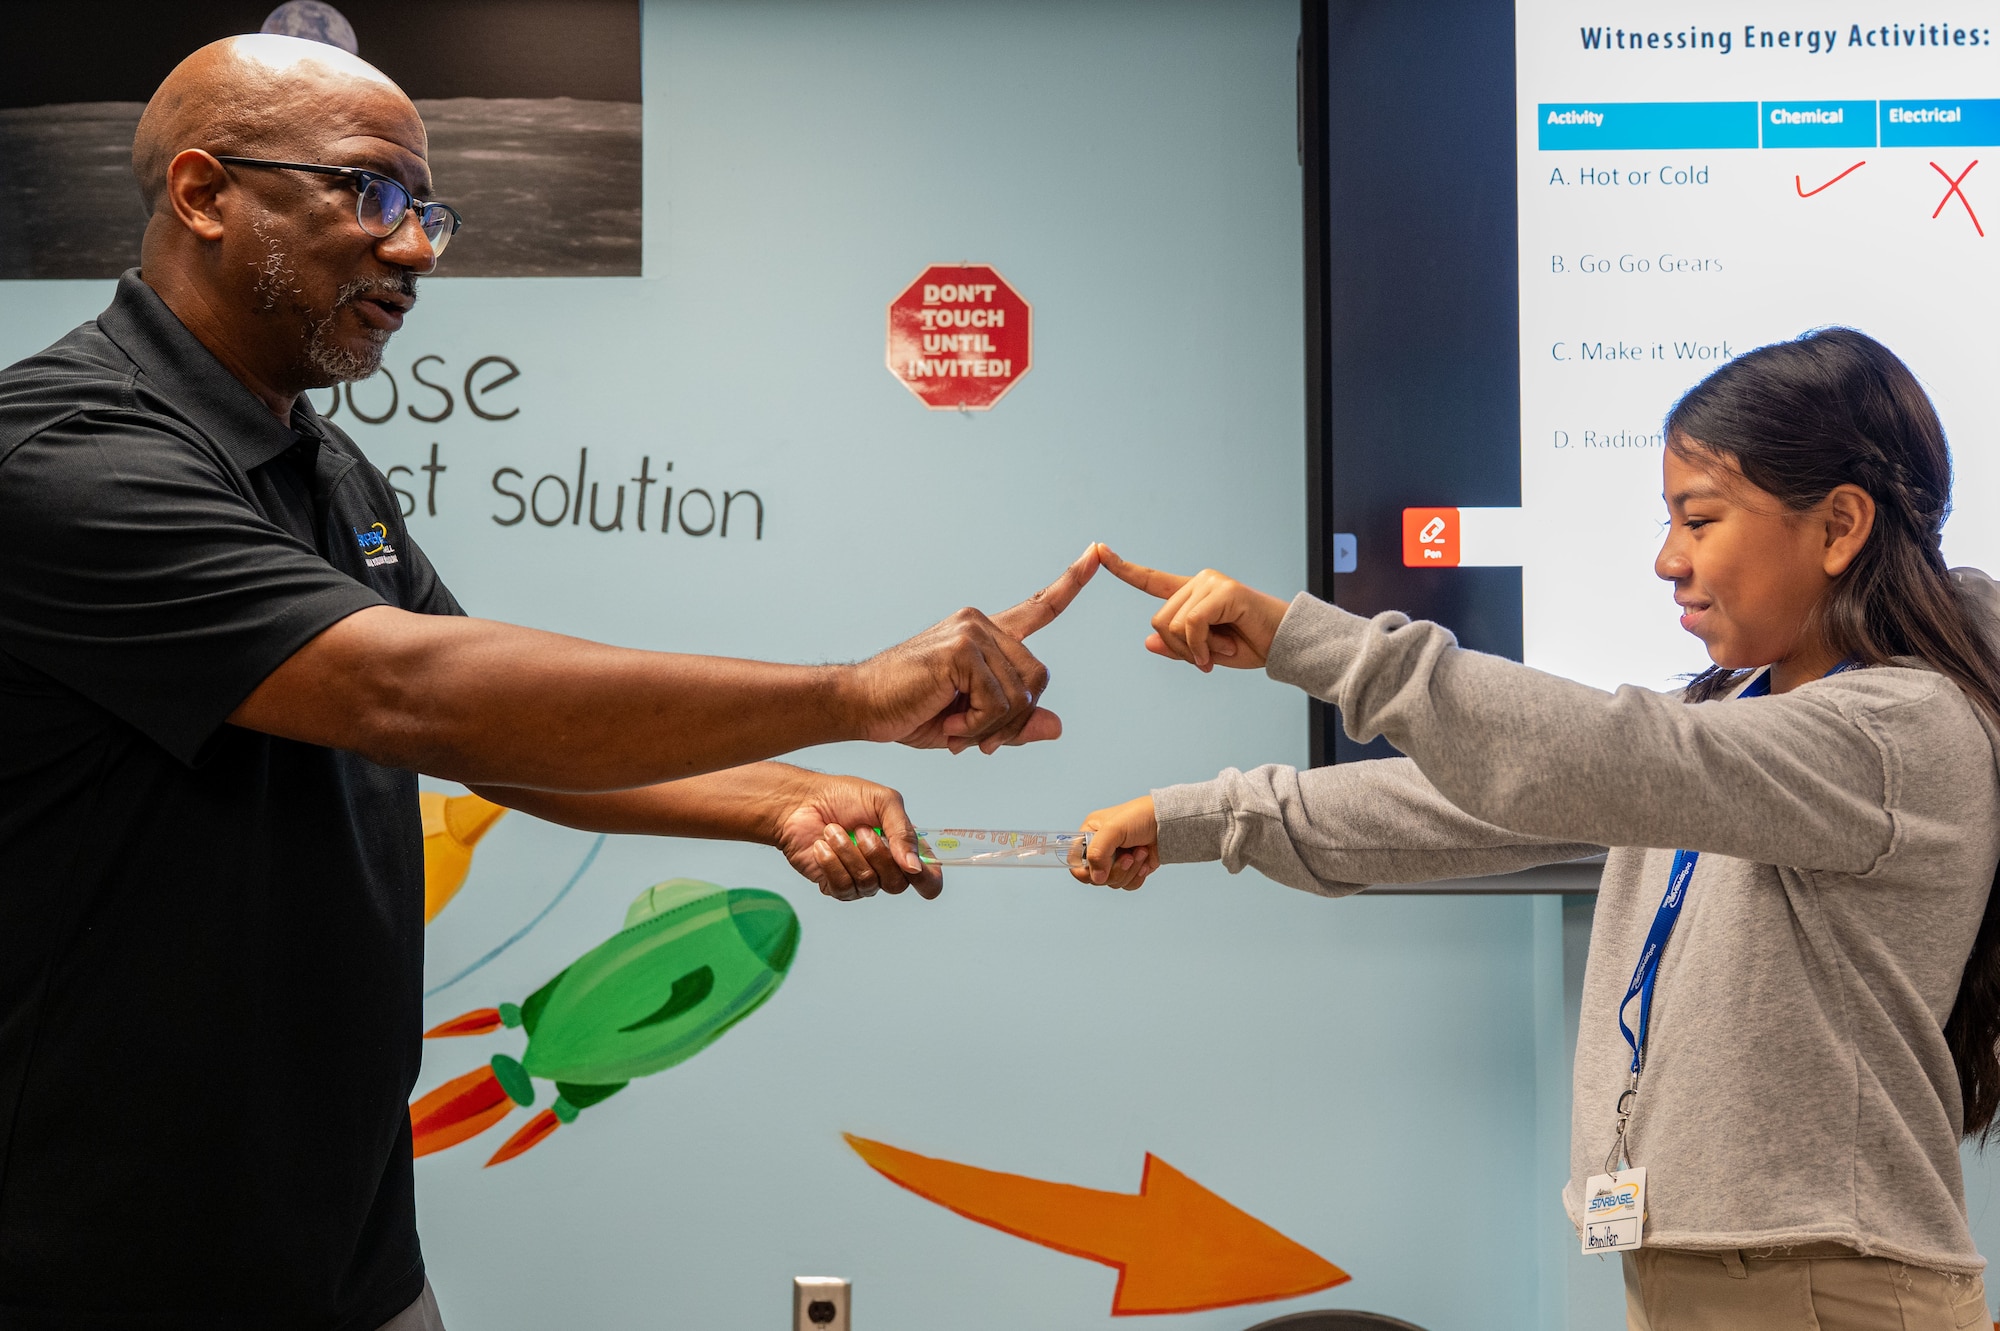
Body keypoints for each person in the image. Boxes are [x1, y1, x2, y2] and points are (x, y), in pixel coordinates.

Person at [0, 35, 1094, 1331]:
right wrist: (853, 689)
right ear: (202, 193)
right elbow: (410, 694)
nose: (414, 251)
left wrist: (785, 798)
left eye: (429, 211)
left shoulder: (322, 467)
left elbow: (501, 742)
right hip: (101, 1261)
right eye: (369, 194)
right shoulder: (64, 450)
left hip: (345, 1244)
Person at [1075, 329, 2000, 1330]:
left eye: (1698, 518)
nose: (1665, 559)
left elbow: (1589, 750)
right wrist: (1202, 817)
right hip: (1721, 1269)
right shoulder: (1742, 717)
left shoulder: (1892, 732)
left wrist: (1309, 641)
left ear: (1837, 525)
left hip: (1822, 1282)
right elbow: (1460, 806)